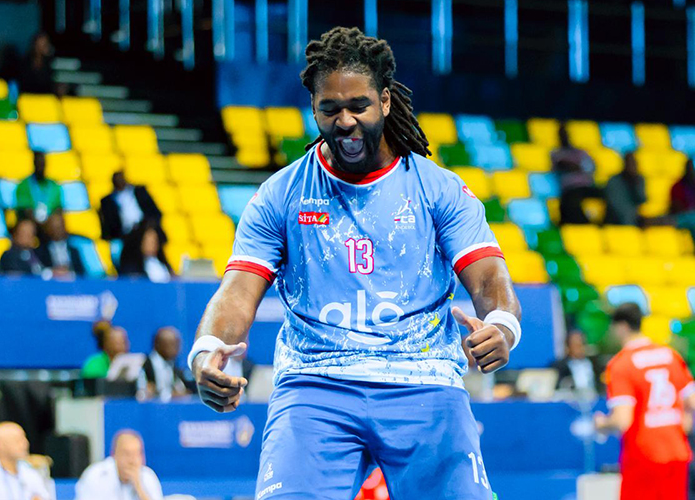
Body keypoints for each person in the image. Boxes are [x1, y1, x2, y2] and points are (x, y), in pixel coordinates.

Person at [188, 27, 521, 499]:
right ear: (313, 108)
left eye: (358, 106)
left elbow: (488, 276)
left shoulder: (438, 189)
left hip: (423, 380)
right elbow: (237, 291)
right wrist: (207, 350)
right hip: (314, 385)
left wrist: (503, 324)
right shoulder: (280, 195)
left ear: (384, 101)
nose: (344, 121)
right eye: (330, 108)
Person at [594, 303, 695, 500]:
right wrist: (684, 421)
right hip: (676, 452)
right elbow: (692, 402)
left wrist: (601, 424)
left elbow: (622, 420)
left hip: (643, 456)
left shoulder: (621, 364)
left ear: (621, 327)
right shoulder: (670, 355)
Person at [0, 422, 51, 500]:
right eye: (18, 440)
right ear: (1, 445)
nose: (26, 443)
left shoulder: (30, 472)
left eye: (25, 438)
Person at [74, 430, 163, 500]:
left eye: (137, 454)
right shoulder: (95, 475)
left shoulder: (148, 477)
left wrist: (139, 488)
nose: (132, 461)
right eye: (127, 454)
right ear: (114, 454)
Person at [552, 125, 601, 224]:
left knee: (608, 194)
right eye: (562, 135)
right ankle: (582, 223)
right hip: (570, 189)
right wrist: (577, 166)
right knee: (571, 201)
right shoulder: (556, 154)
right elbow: (562, 164)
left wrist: (576, 166)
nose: (564, 137)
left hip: (586, 187)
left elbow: (590, 167)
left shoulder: (581, 152)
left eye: (566, 134)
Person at [99, 172, 162, 241]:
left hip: (144, 229)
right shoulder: (107, 201)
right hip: (124, 236)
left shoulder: (140, 191)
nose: (120, 180)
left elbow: (155, 212)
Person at [137, 327, 194, 402]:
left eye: (177, 344)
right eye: (172, 344)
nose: (177, 349)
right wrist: (171, 395)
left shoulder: (173, 365)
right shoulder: (145, 365)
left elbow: (181, 390)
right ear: (158, 344)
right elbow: (143, 394)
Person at [15, 153, 62, 225]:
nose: (41, 167)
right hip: (31, 222)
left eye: (42, 164)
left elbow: (58, 208)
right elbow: (23, 209)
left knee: (56, 222)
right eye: (38, 164)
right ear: (34, 164)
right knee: (26, 227)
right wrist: (37, 220)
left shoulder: (54, 186)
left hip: (49, 222)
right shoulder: (24, 185)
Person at [36, 212, 85, 276]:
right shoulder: (42, 250)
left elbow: (81, 272)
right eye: (54, 227)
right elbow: (39, 270)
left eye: (59, 227)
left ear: (64, 227)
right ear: (48, 228)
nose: (57, 231)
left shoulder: (74, 249)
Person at [604, 152, 646, 226]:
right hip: (616, 219)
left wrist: (635, 184)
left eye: (634, 163)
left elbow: (642, 199)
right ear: (624, 164)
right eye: (630, 163)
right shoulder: (614, 180)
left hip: (634, 217)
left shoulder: (639, 179)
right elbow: (615, 204)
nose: (633, 166)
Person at [552, 329, 599, 395]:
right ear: (568, 348)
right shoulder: (559, 367)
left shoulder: (593, 364)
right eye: (576, 345)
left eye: (582, 344)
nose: (580, 349)